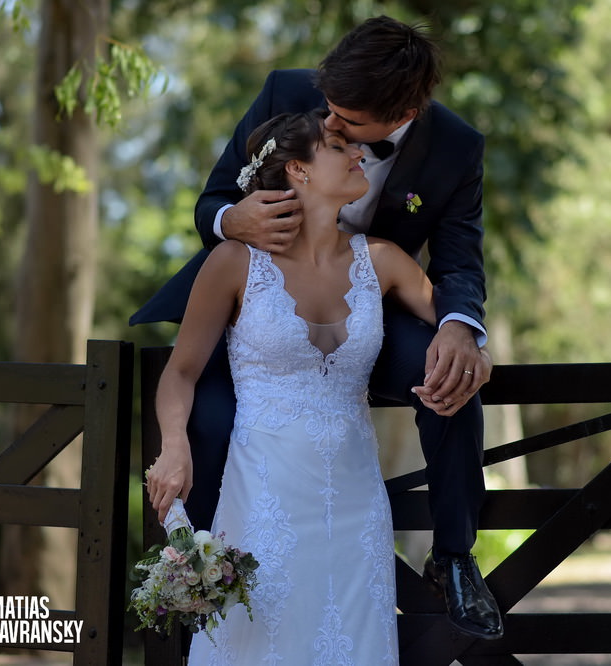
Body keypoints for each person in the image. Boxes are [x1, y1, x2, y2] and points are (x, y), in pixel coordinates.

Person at [131, 16, 503, 640]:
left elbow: (460, 261)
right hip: (257, 316)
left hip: (363, 312)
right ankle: (196, 590)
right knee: (209, 422)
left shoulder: (457, 147)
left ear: (403, 111)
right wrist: (234, 220)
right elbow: (212, 200)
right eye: (327, 114)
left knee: (451, 374)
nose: (330, 127)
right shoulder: (287, 93)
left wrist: (465, 331)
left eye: (348, 124)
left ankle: (455, 555)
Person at [146, 110, 434, 662]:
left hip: (356, 501)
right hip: (263, 499)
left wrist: (470, 342)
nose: (359, 155)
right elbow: (180, 372)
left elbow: (456, 321)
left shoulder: (384, 261)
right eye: (338, 146)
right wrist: (174, 446)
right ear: (298, 171)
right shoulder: (234, 263)